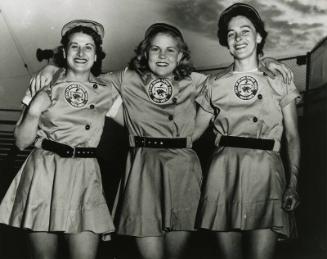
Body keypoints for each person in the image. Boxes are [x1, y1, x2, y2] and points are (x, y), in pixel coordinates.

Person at [28, 22, 293, 259]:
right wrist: (54, 63)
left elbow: (236, 75)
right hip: (142, 170)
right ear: (145, 53)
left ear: (181, 55)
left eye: (170, 50)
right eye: (155, 49)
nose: (163, 56)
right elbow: (82, 76)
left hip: (184, 171)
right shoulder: (125, 79)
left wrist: (267, 61)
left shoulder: (200, 82)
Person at [0, 20, 122, 259]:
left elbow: (140, 125)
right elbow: (22, 143)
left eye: (88, 47)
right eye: (74, 46)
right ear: (64, 52)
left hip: (85, 177)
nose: (81, 53)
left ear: (97, 56)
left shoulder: (107, 91)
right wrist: (34, 109)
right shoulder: (46, 82)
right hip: (44, 173)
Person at [193, 3, 301, 259]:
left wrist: (293, 184)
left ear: (259, 36)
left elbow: (293, 136)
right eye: (231, 33)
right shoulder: (213, 83)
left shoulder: (279, 79)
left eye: (245, 31)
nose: (238, 38)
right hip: (224, 174)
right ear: (225, 41)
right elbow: (193, 132)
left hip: (266, 174)